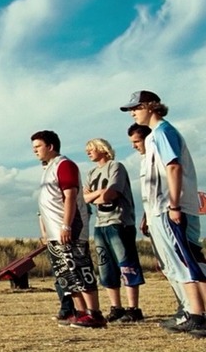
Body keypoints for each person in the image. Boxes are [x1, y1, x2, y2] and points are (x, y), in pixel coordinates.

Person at [121, 90, 206, 339]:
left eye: (136, 107)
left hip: (172, 208)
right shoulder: (155, 136)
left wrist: (174, 205)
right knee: (183, 264)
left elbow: (173, 167)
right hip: (161, 209)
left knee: (193, 260)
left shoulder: (162, 132)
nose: (132, 112)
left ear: (151, 106)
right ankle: (197, 314)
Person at [30, 130, 106, 328]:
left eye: (38, 147)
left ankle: (94, 313)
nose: (35, 151)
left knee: (80, 269)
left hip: (70, 229)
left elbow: (70, 196)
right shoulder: (47, 169)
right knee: (65, 274)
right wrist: (46, 231)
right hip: (54, 232)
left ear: (50, 146)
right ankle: (80, 311)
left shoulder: (64, 165)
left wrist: (66, 225)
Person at [128, 123, 189, 329]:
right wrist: (146, 216)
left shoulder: (160, 150)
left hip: (165, 211)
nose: (135, 146)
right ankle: (184, 307)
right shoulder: (145, 160)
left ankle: (190, 309)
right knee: (166, 266)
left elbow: (169, 179)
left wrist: (174, 206)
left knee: (176, 263)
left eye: (137, 141)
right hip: (153, 214)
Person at [83, 138, 145, 323]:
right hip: (100, 224)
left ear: (103, 149)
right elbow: (84, 198)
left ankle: (133, 308)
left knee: (126, 264)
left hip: (119, 221)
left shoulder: (116, 167)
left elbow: (110, 194)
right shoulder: (91, 173)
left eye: (91, 148)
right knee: (105, 267)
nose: (88, 152)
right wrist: (97, 195)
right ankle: (115, 307)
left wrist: (94, 196)